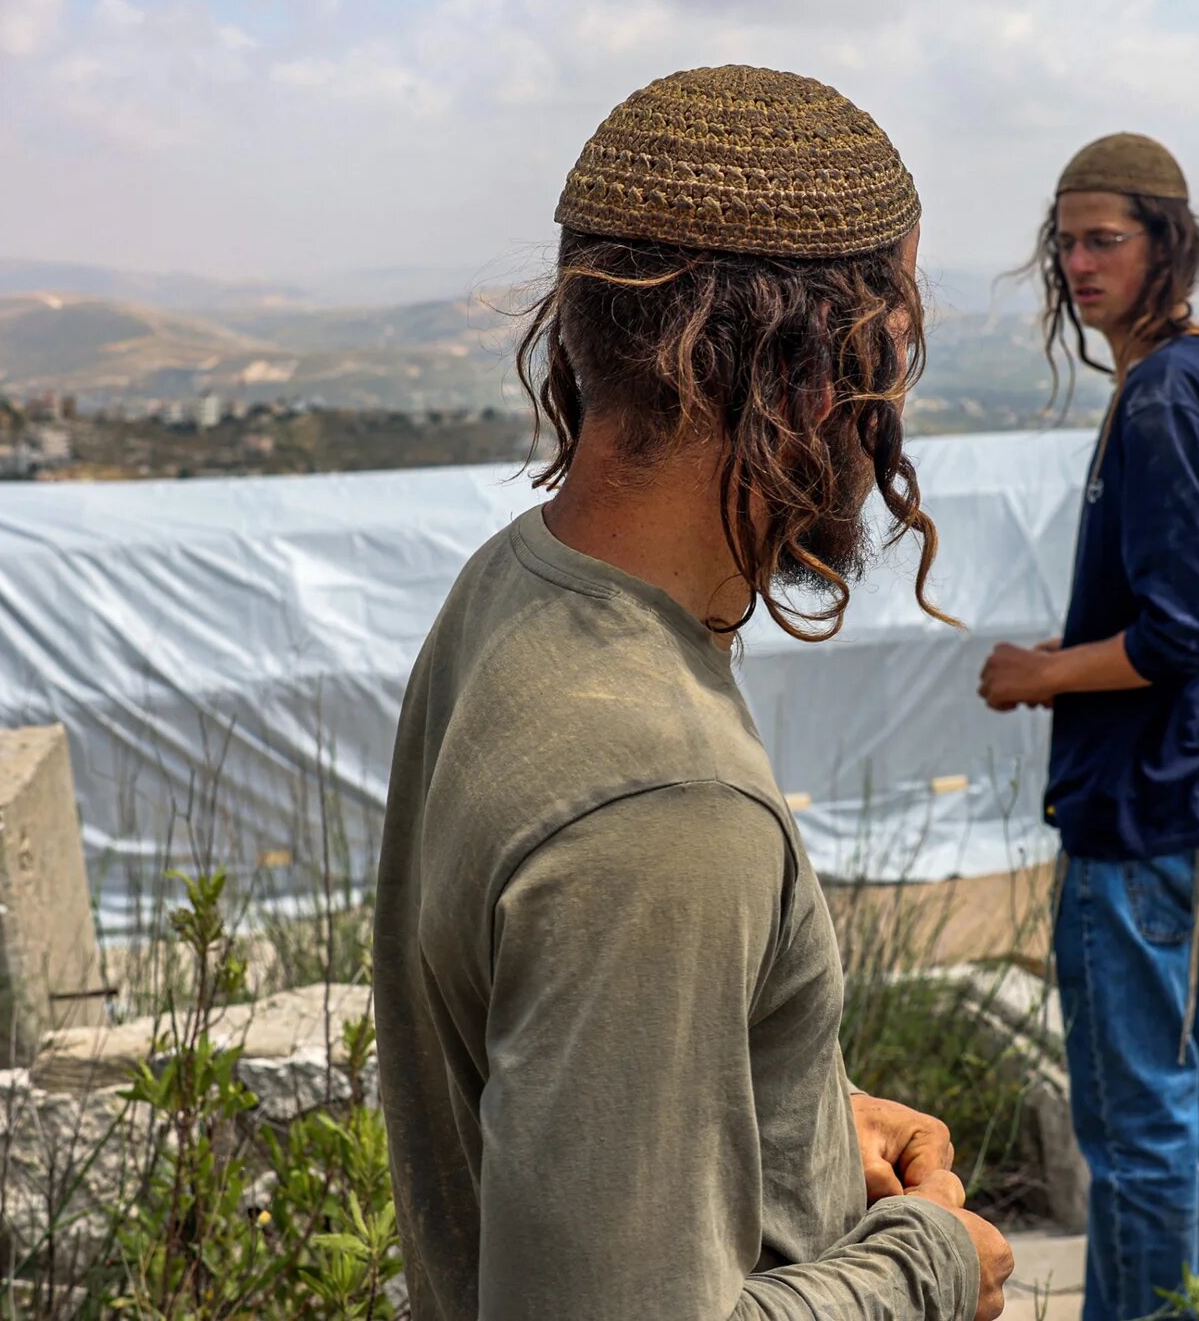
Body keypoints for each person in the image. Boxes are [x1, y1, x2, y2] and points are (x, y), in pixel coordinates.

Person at [372, 64, 1016, 1321]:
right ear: (818, 381)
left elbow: (552, 1079)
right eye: (895, 347)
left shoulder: (513, 590)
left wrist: (798, 1123)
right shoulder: (660, 802)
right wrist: (930, 1265)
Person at [976, 133, 1199, 1317]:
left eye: (1104, 238)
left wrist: (1039, 675)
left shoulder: (1159, 399)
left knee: (1138, 1119)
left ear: (1166, 242)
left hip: (1142, 815)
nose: (1076, 262)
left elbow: (1180, 633)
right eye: (1063, 241)